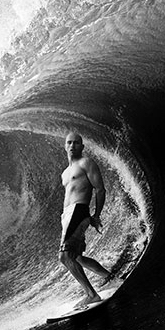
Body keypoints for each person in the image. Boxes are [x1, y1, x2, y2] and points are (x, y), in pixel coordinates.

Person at [59, 131, 113, 307]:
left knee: (65, 256)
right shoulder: (65, 173)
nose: (72, 145)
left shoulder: (86, 163)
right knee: (76, 257)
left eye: (76, 142)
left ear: (82, 146)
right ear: (65, 146)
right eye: (69, 142)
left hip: (79, 210)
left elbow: (100, 189)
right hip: (67, 215)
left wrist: (96, 215)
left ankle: (91, 294)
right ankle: (109, 277)